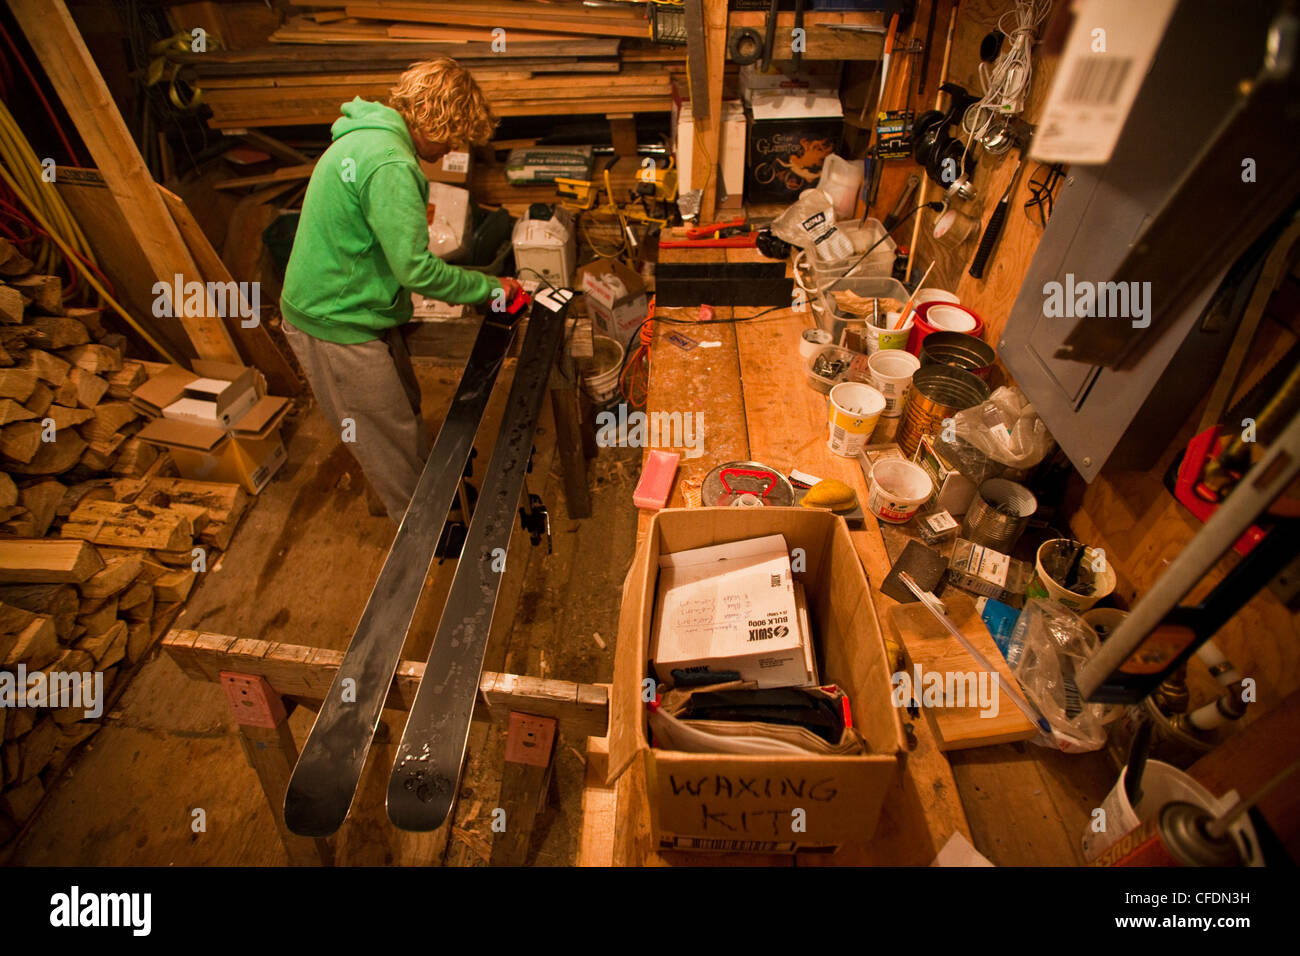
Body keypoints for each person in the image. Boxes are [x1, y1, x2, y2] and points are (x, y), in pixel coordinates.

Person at [280, 57, 523, 522]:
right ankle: (431, 541)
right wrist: (491, 288)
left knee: (398, 418)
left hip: (357, 306)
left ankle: (396, 501)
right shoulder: (390, 162)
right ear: (435, 119)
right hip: (336, 322)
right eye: (454, 132)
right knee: (387, 439)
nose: (453, 144)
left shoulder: (368, 137)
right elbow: (418, 272)